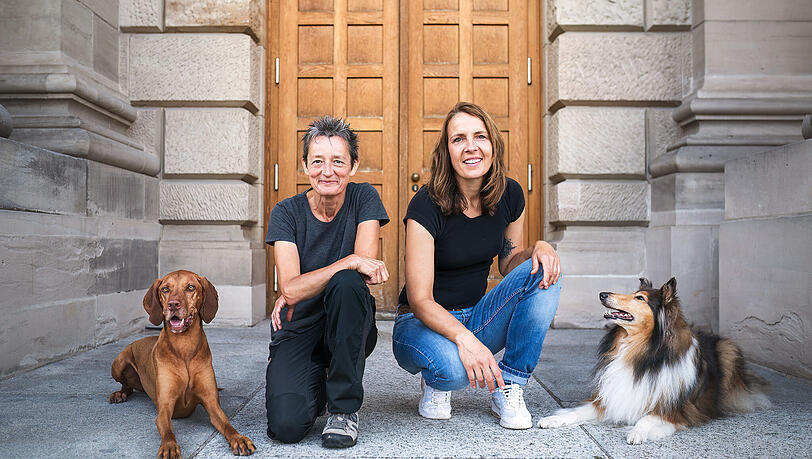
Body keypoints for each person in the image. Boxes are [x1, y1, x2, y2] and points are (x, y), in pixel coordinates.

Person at [392, 102, 562, 430]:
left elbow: (510, 264)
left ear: (492, 146)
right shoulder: (425, 205)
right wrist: (466, 342)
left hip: (477, 316)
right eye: (459, 139)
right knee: (454, 371)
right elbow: (420, 300)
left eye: (479, 136)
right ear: (447, 152)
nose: (471, 146)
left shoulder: (509, 194)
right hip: (419, 323)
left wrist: (539, 249)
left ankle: (510, 385)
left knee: (545, 270)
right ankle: (436, 380)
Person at [265, 116, 389, 448]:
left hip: (347, 324)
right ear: (305, 165)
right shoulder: (286, 213)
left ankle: (344, 410)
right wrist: (349, 259)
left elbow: (360, 275)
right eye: (317, 161)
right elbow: (289, 289)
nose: (327, 171)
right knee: (286, 426)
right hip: (299, 328)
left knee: (348, 284)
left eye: (338, 161)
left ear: (353, 165)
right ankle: (320, 383)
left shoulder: (364, 199)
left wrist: (346, 269)